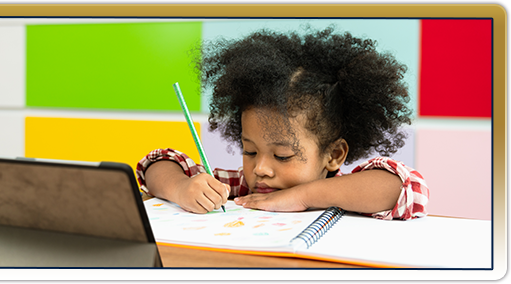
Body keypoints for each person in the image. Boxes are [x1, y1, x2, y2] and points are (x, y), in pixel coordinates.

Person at [136, 26, 429, 220]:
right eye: (250, 151)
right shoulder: (241, 190)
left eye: (282, 156)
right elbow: (158, 163)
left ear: (334, 155)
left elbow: (410, 189)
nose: (259, 169)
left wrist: (302, 196)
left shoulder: (349, 194)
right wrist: (180, 190)